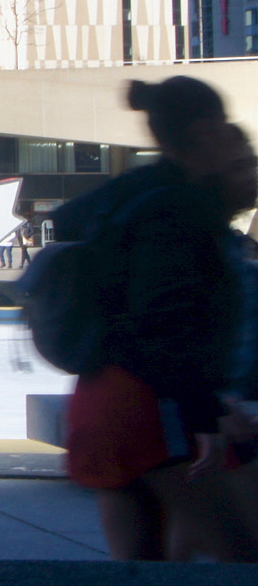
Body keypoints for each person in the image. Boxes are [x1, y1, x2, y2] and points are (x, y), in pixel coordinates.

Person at [59, 76, 258, 561]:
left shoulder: (135, 195)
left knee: (143, 567)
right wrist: (203, 414)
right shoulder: (179, 211)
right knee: (240, 557)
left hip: (103, 393)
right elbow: (168, 324)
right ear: (205, 131)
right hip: (150, 405)